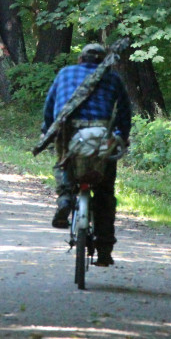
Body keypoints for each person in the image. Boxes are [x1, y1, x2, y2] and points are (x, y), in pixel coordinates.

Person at [41, 42, 132, 267]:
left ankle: (65, 197)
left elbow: (49, 106)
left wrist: (47, 130)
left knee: (63, 163)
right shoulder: (113, 78)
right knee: (104, 193)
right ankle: (104, 251)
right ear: (104, 62)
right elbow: (124, 112)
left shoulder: (65, 73)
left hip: (69, 133)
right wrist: (122, 136)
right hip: (101, 136)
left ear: (80, 59)